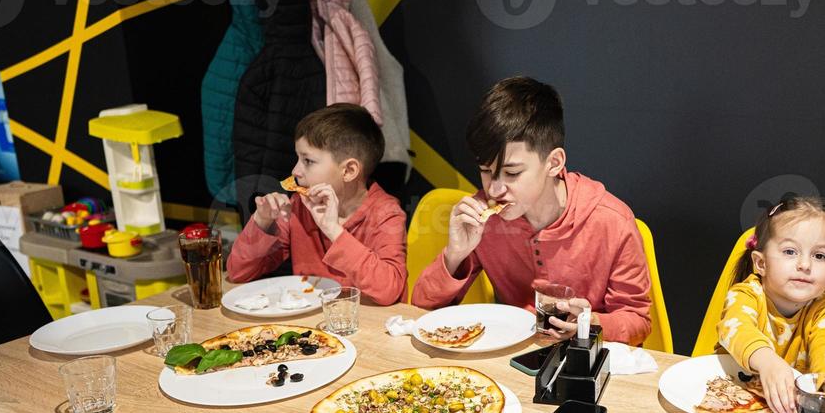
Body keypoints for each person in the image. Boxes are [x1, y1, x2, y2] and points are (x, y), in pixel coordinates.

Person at [411, 76, 652, 345]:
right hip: (516, 358)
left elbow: (637, 321)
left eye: (512, 173)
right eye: (486, 172)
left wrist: (590, 323)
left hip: (589, 365)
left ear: (554, 162)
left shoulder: (612, 220)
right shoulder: (483, 218)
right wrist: (455, 255)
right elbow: (421, 309)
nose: (495, 189)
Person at [227, 103, 406, 305]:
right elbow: (238, 272)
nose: (295, 171)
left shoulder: (387, 214)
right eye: (297, 158)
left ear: (348, 171)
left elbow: (389, 290)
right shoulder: (299, 206)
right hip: (311, 328)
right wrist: (261, 222)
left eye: (308, 161)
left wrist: (333, 229)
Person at [717, 195, 825, 413]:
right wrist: (768, 362)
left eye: (819, 255)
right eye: (790, 252)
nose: (805, 265)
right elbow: (736, 327)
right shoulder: (746, 294)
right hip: (731, 403)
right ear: (761, 263)